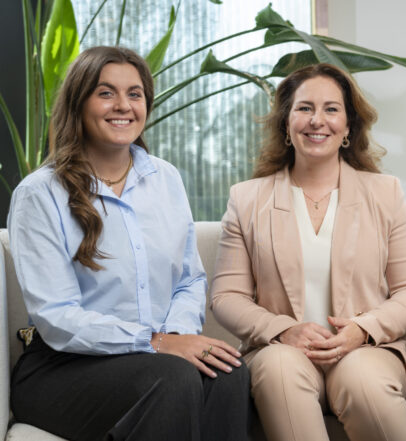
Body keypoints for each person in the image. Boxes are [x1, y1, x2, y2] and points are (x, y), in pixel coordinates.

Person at [8, 46, 251, 441]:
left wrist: (176, 337)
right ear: (79, 103)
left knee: (228, 372)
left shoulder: (165, 179)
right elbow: (57, 316)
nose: (123, 105)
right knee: (173, 378)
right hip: (63, 368)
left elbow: (188, 279)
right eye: (106, 93)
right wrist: (156, 343)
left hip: (156, 359)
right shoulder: (40, 193)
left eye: (134, 94)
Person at [210, 63, 406, 441]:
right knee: (279, 371)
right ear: (286, 123)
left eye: (331, 109)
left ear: (348, 126)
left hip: (368, 351)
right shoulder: (246, 199)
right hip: (280, 351)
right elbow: (226, 296)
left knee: (362, 379)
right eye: (304, 108)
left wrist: (363, 330)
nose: (317, 120)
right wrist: (283, 330)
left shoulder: (386, 193)